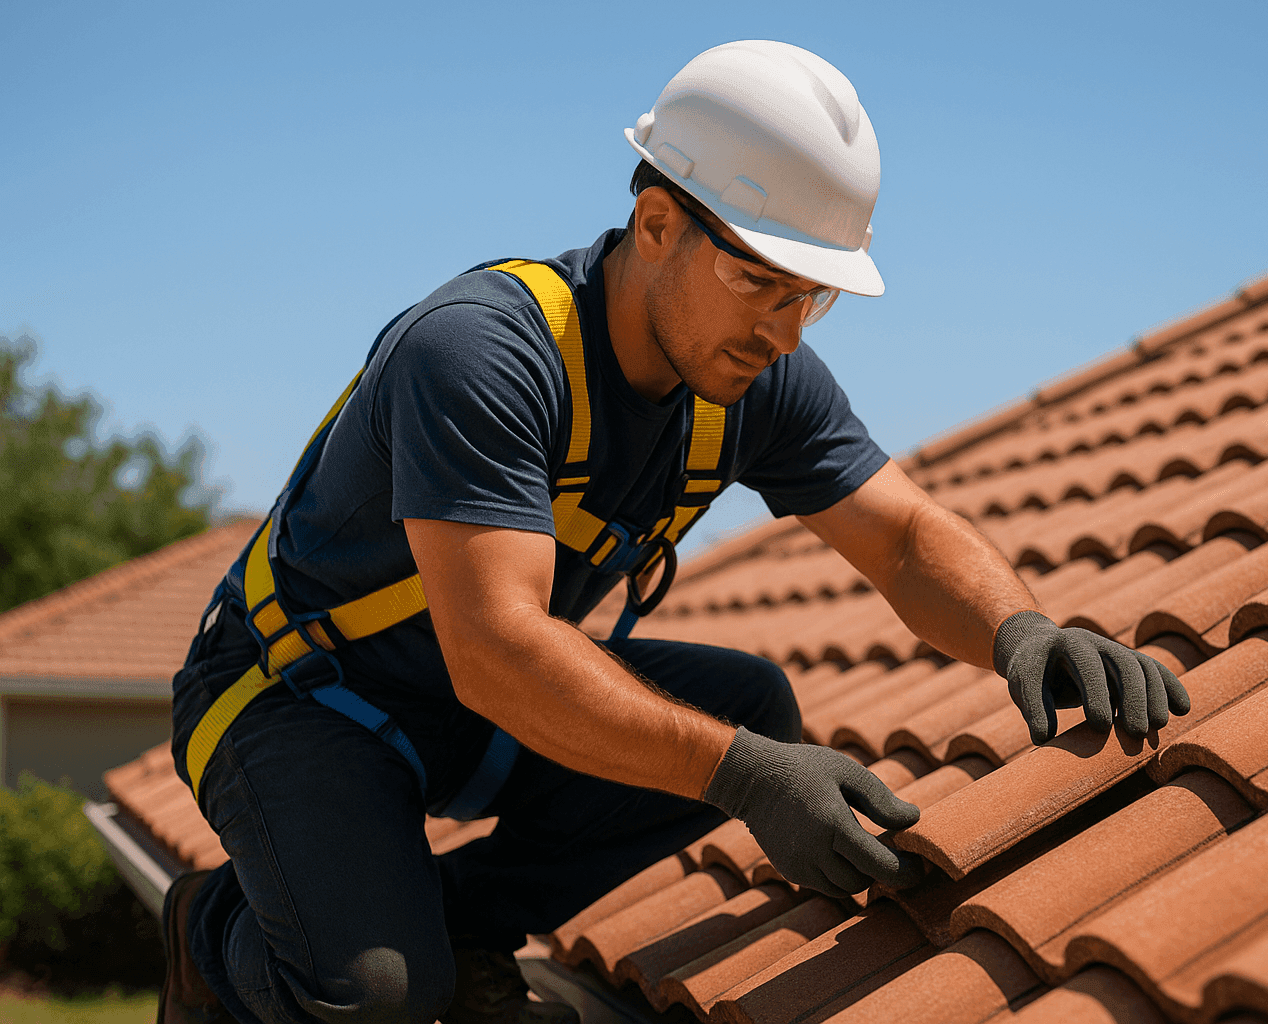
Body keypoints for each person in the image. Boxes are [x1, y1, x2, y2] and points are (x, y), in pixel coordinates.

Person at [160, 40, 1188, 1024]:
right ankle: (210, 931)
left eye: (811, 296)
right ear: (656, 224)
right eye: (759, 281)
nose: (783, 332)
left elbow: (906, 535)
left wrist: (1022, 630)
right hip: (298, 695)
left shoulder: (750, 377)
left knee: (752, 704)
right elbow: (499, 650)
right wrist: (740, 776)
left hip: (461, 704)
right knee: (378, 994)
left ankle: (468, 928)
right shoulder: (480, 351)